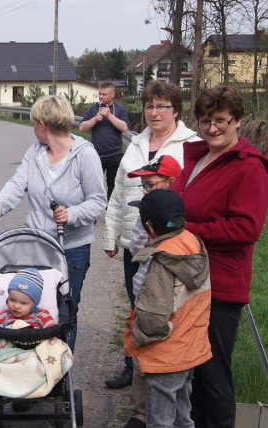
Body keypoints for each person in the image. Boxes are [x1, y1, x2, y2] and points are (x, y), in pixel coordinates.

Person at [172, 85, 268, 428]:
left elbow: (246, 228)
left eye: (221, 120)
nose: (212, 128)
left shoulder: (249, 167)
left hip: (221, 285)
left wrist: (188, 230)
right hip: (189, 278)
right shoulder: (199, 157)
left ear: (238, 121)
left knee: (213, 374)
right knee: (193, 371)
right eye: (205, 120)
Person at [0, 94, 107, 353]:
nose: (33, 129)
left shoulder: (85, 155)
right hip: (37, 245)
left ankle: (59, 369)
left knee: (65, 309)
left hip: (72, 247)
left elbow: (98, 201)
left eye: (33, 123)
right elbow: (17, 185)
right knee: (36, 304)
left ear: (42, 124)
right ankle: (30, 361)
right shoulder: (35, 152)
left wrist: (71, 214)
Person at [103, 81, 200, 390]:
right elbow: (119, 192)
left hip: (171, 246)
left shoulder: (191, 144)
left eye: (162, 106)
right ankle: (134, 367)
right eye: (149, 106)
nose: (154, 112)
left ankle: (167, 371)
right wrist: (110, 236)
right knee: (137, 303)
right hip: (137, 241)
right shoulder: (134, 142)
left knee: (167, 308)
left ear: (176, 111)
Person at [124, 189, 212, 428]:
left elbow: (152, 318)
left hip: (165, 355)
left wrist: (136, 336)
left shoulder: (161, 262)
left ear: (150, 227)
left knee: (159, 422)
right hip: (189, 346)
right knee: (183, 418)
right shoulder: (192, 244)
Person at [120, 155, 183, 428]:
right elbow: (136, 247)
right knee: (140, 348)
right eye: (143, 186)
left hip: (163, 300)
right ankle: (138, 413)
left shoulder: (175, 220)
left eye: (150, 185)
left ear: (171, 182)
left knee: (158, 354)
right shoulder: (145, 214)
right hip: (143, 293)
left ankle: (159, 416)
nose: (145, 190)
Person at [79, 82, 131, 201]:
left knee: (113, 187)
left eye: (104, 94)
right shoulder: (93, 109)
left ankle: (110, 214)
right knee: (92, 186)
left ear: (112, 95)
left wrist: (109, 116)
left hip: (115, 155)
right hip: (96, 155)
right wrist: (95, 119)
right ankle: (90, 213)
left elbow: (124, 127)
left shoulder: (120, 109)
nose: (101, 96)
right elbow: (82, 127)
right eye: (99, 94)